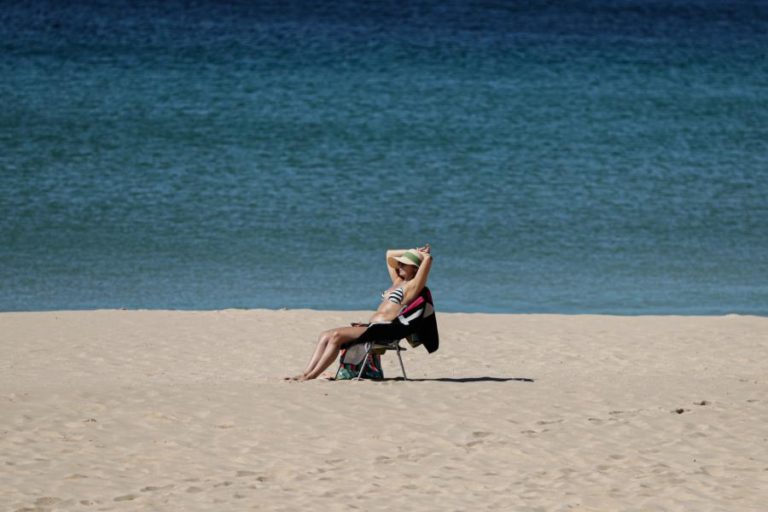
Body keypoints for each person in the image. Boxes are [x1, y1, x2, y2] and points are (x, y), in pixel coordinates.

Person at [287, 244, 433, 381]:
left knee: (336, 337)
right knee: (325, 335)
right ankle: (306, 373)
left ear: (415, 269)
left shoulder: (413, 287)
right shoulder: (398, 281)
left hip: (388, 330)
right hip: (375, 327)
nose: (399, 265)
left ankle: (311, 376)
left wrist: (423, 255)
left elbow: (428, 260)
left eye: (404, 264)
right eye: (399, 263)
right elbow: (389, 254)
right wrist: (413, 251)